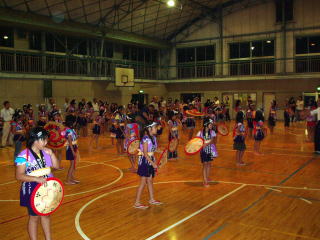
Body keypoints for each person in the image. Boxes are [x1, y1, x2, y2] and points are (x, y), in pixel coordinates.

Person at [15, 127, 59, 240]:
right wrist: (36, 179)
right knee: (34, 217)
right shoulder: (23, 155)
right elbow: (19, 175)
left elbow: (56, 166)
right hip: (32, 188)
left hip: (46, 187)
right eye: (43, 140)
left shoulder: (45, 152)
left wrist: (52, 154)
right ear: (35, 140)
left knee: (46, 215)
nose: (46, 142)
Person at [134, 122, 162, 209]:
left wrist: (159, 152)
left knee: (150, 180)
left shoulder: (153, 137)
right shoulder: (145, 138)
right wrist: (153, 163)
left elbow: (152, 150)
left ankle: (152, 199)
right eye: (155, 127)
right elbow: (145, 153)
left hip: (150, 160)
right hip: (145, 161)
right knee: (143, 182)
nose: (157, 129)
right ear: (150, 129)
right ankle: (137, 202)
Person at [197, 118, 218, 187]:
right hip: (203, 151)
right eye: (210, 124)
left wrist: (207, 143)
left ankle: (208, 177)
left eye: (211, 124)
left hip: (210, 151)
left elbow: (213, 141)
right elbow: (197, 141)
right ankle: (205, 181)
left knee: (209, 163)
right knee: (205, 164)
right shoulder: (200, 133)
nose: (211, 125)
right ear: (206, 124)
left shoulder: (212, 132)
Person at [65, 116, 80, 185]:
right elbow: (70, 142)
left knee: (72, 164)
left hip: (73, 147)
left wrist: (76, 136)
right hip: (71, 149)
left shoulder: (71, 130)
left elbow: (74, 138)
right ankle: (68, 180)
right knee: (71, 165)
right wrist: (73, 151)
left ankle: (71, 179)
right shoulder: (68, 131)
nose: (75, 123)